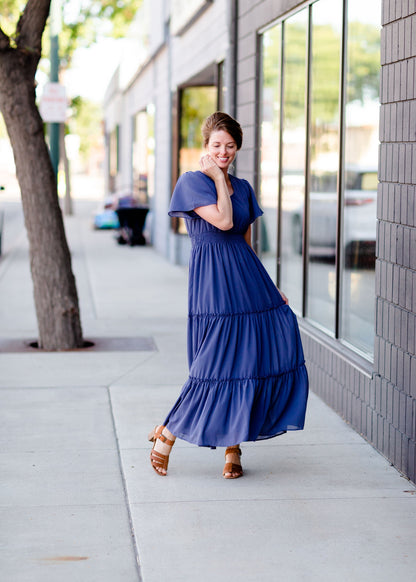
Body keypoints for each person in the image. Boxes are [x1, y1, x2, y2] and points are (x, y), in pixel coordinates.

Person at [149, 112, 308, 479]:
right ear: (206, 147)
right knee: (213, 364)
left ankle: (233, 449)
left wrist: (270, 287)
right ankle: (169, 431)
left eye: (230, 146)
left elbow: (244, 242)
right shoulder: (192, 182)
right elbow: (221, 221)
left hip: (246, 278)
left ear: (238, 148)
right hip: (213, 282)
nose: (224, 152)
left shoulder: (245, 188)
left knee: (251, 360)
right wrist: (219, 178)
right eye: (217, 145)